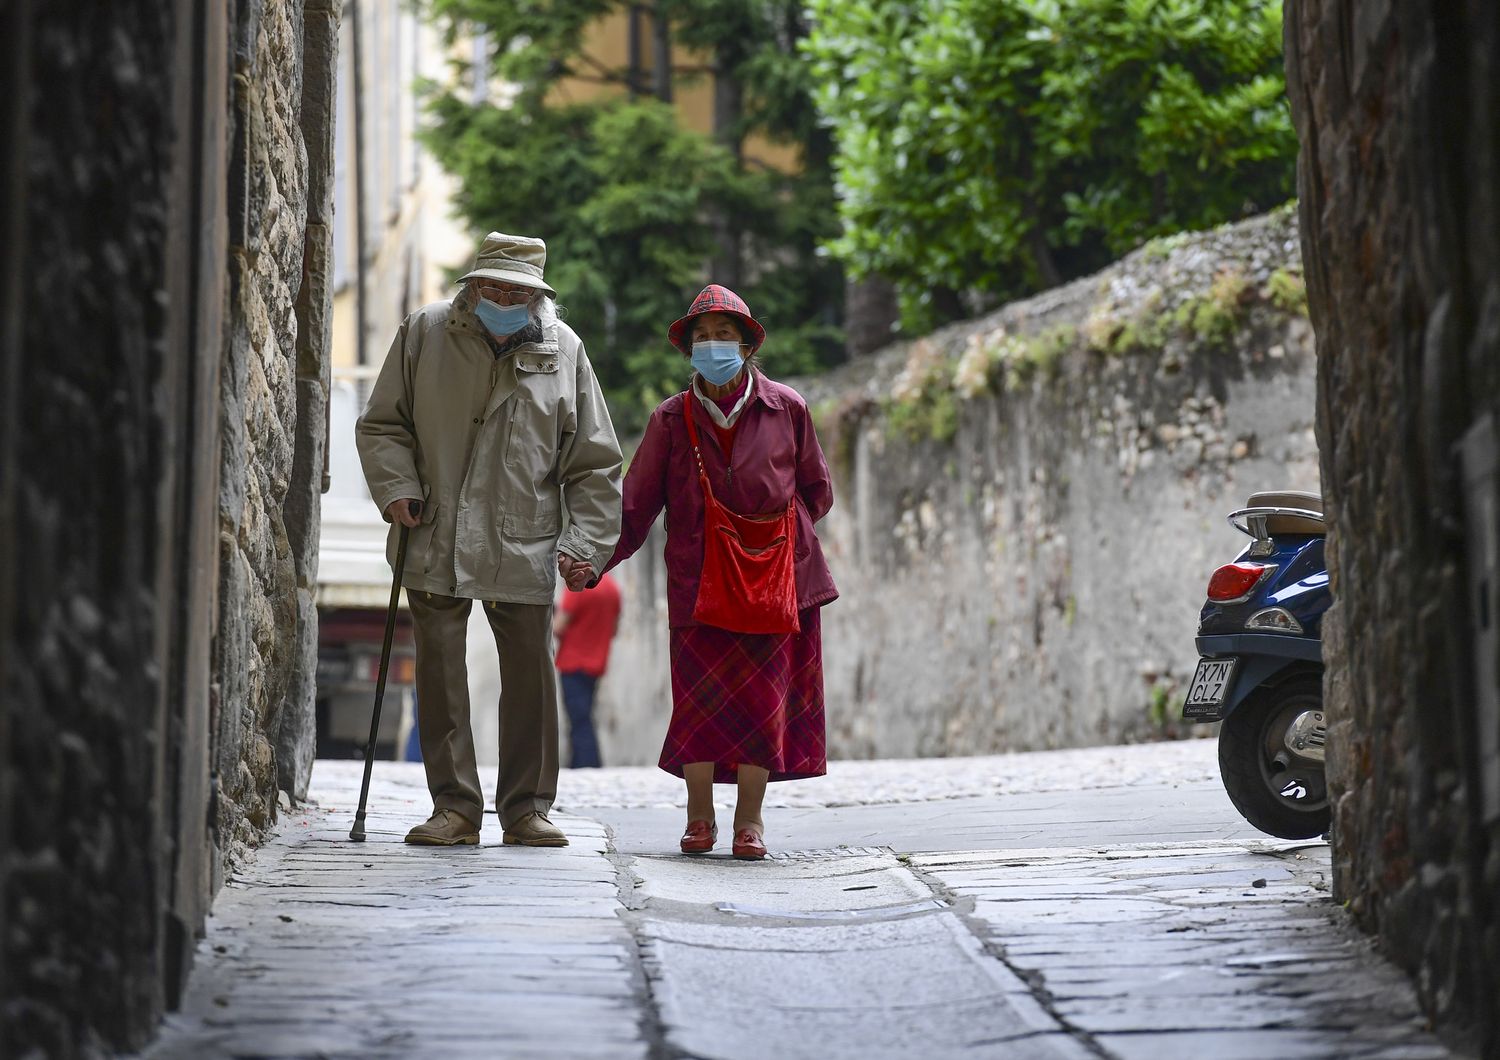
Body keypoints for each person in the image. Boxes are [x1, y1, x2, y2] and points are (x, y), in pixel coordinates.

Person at [356, 232, 622, 848]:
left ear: (537, 298)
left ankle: (527, 808)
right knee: (441, 673)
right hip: (434, 529)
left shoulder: (565, 350)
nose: (504, 297)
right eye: (494, 286)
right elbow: (382, 424)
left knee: (529, 675)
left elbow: (594, 461)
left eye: (518, 290)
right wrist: (396, 487)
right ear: (472, 287)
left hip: (523, 537)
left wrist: (586, 543)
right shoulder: (425, 333)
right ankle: (454, 808)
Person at [600, 285, 837, 860]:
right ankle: (699, 818)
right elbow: (637, 504)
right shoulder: (670, 419)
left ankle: (750, 823)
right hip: (697, 579)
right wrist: (594, 558)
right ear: (688, 351)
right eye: (702, 338)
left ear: (746, 346)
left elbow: (816, 491)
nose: (713, 347)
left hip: (776, 584)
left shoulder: (788, 408)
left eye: (723, 337)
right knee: (698, 702)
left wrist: (769, 541)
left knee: (765, 701)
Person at [553, 572, 622, 769]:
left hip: (573, 662)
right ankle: (580, 763)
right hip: (597, 662)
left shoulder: (578, 587)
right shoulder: (613, 588)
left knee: (578, 719)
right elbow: (615, 629)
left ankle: (587, 765)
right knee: (585, 714)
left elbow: (558, 626)